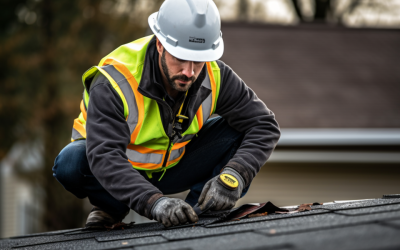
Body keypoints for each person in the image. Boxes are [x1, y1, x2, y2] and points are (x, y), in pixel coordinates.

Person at [53, 0, 280, 228]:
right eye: (180, 58)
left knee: (239, 130)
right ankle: (110, 207)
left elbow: (264, 125)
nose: (189, 72)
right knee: (70, 162)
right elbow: (105, 156)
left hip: (175, 168)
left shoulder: (216, 75)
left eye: (198, 60)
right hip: (116, 172)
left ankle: (199, 212)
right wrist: (155, 203)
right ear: (160, 44)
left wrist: (236, 176)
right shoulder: (114, 80)